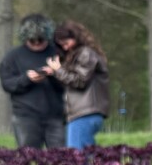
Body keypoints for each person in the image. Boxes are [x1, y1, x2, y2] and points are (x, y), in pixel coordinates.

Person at [0, 13, 66, 149]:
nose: (37, 43)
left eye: (40, 40)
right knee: (28, 155)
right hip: (26, 117)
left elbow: (69, 83)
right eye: (32, 40)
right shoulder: (12, 57)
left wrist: (54, 74)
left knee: (62, 156)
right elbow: (8, 84)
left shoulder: (58, 54)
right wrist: (27, 78)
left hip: (56, 116)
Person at [46, 20, 110, 150]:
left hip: (84, 113)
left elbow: (79, 81)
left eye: (66, 43)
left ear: (76, 37)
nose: (65, 48)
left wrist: (58, 70)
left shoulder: (86, 53)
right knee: (86, 155)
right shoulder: (82, 54)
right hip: (84, 112)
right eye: (62, 45)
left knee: (77, 156)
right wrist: (55, 72)